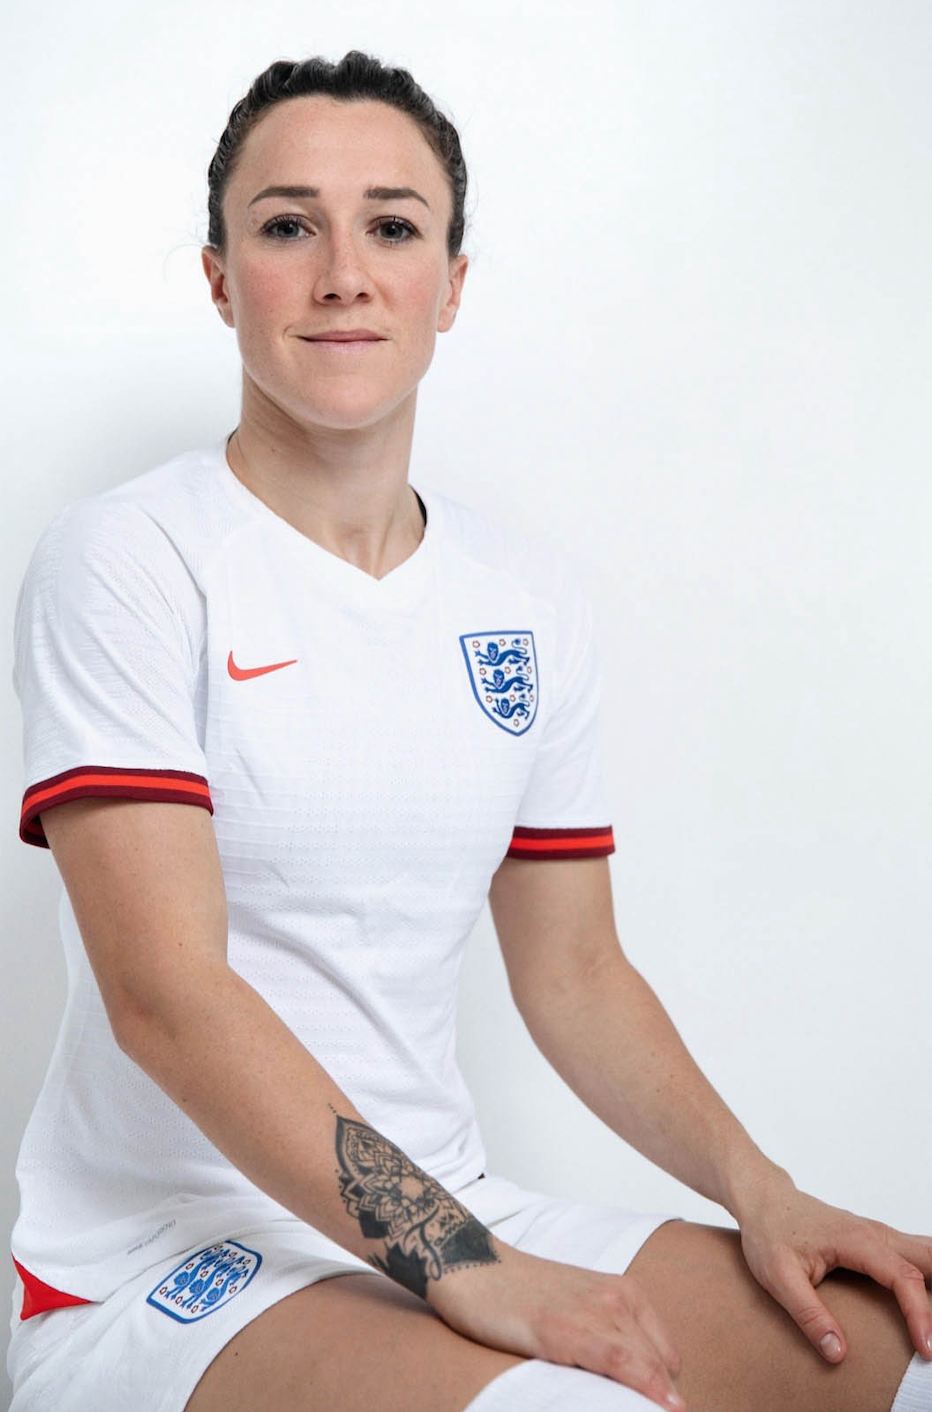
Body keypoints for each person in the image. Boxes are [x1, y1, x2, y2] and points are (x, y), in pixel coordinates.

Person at [6, 50, 931, 1412]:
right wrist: (461, 1264)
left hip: (455, 1208)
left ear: (452, 281)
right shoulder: (131, 559)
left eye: (392, 225)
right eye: (285, 227)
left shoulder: (523, 601)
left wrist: (764, 1192)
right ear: (218, 277)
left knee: (887, 1346)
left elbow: (576, 974)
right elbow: (170, 1000)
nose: (343, 273)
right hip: (170, 1255)